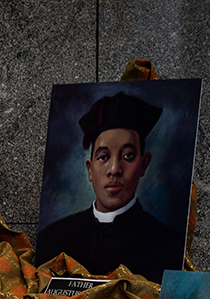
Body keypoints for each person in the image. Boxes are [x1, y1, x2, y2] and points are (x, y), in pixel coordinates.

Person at [33, 91, 184, 283]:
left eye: (128, 156)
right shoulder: (52, 239)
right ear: (90, 169)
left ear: (143, 164)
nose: (114, 170)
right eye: (103, 157)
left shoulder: (169, 247)